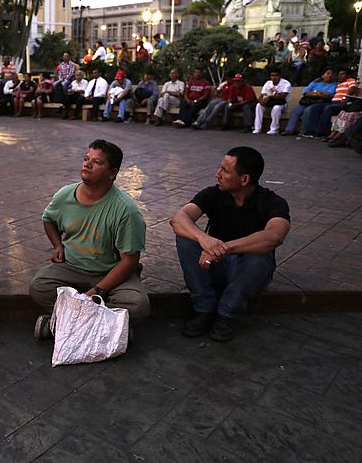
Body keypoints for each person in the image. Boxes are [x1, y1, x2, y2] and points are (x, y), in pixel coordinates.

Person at [29, 140, 150, 339]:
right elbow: (48, 220)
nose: (87, 164)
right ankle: (109, 327)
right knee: (39, 286)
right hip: (72, 268)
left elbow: (129, 261)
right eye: (86, 159)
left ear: (112, 173)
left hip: (111, 272)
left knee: (138, 305)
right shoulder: (65, 195)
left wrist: (96, 291)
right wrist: (58, 245)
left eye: (97, 162)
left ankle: (62, 323)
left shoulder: (127, 211)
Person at [170, 147, 290, 342]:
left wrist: (225, 248)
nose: (218, 174)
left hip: (244, 270)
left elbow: (275, 235)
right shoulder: (214, 194)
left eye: (225, 170)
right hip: (212, 265)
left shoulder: (271, 201)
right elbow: (179, 219)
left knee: (261, 253)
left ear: (244, 179)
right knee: (185, 237)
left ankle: (227, 313)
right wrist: (205, 240)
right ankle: (204, 308)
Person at [301, 69, 357, 138]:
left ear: (347, 75)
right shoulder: (338, 83)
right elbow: (327, 81)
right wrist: (319, 79)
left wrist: (345, 98)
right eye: (339, 74)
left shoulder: (350, 80)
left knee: (328, 108)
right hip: (332, 103)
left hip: (342, 103)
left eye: (342, 74)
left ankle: (320, 132)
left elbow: (353, 89)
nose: (339, 76)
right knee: (314, 107)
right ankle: (311, 131)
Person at [281, 68, 336, 136]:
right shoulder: (315, 83)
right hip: (308, 101)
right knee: (296, 110)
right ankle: (289, 130)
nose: (330, 75)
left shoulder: (333, 85)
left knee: (308, 110)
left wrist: (314, 92)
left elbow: (328, 95)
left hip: (320, 103)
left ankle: (303, 131)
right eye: (327, 73)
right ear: (323, 75)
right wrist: (319, 93)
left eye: (331, 74)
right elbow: (305, 92)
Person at [252, 69, 291, 135]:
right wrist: (261, 102)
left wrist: (270, 96)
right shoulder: (268, 83)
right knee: (258, 106)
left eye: (276, 75)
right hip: (269, 103)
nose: (274, 77)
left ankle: (274, 129)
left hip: (282, 104)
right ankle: (257, 128)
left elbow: (282, 97)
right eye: (272, 75)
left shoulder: (286, 83)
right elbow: (261, 96)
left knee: (276, 108)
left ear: (280, 76)